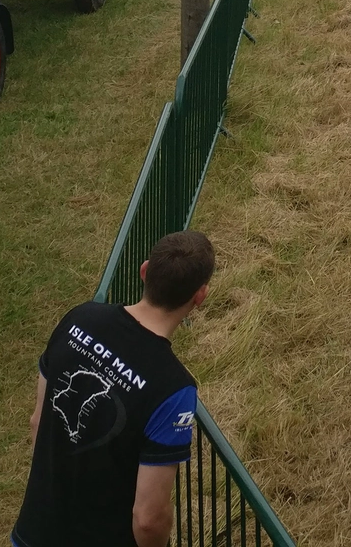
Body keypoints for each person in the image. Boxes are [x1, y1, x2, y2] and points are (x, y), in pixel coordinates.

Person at [11, 230, 214, 547]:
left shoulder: (80, 318)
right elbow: (148, 520)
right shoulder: (174, 390)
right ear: (199, 297)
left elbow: (38, 421)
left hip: (35, 531)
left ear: (145, 271)